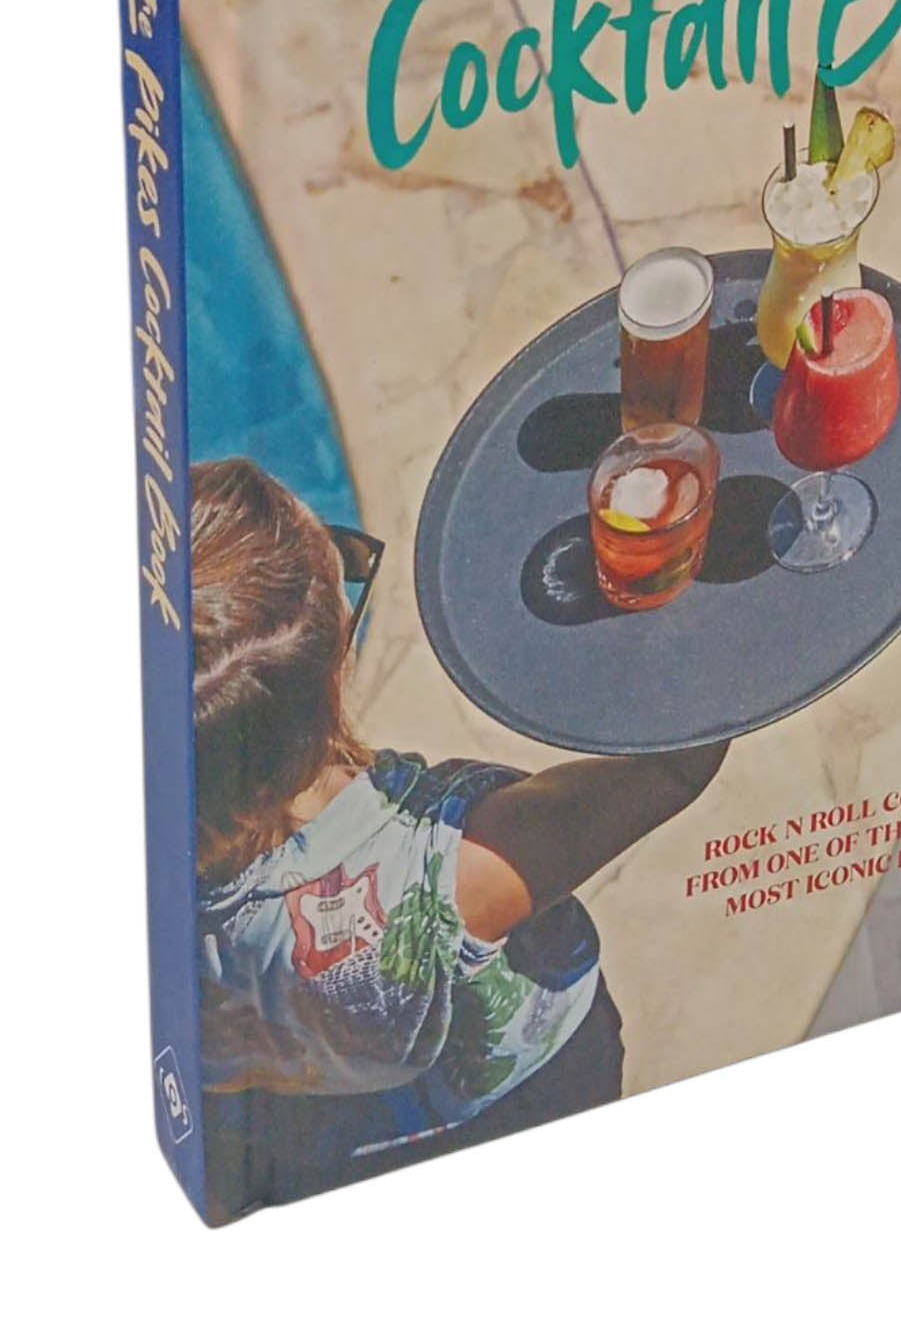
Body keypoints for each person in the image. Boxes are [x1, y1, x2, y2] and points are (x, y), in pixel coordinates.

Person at [191, 458, 727, 1219]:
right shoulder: (443, 876)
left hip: (336, 1137)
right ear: (326, 686)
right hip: (529, 1101)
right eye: (344, 575)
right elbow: (674, 768)